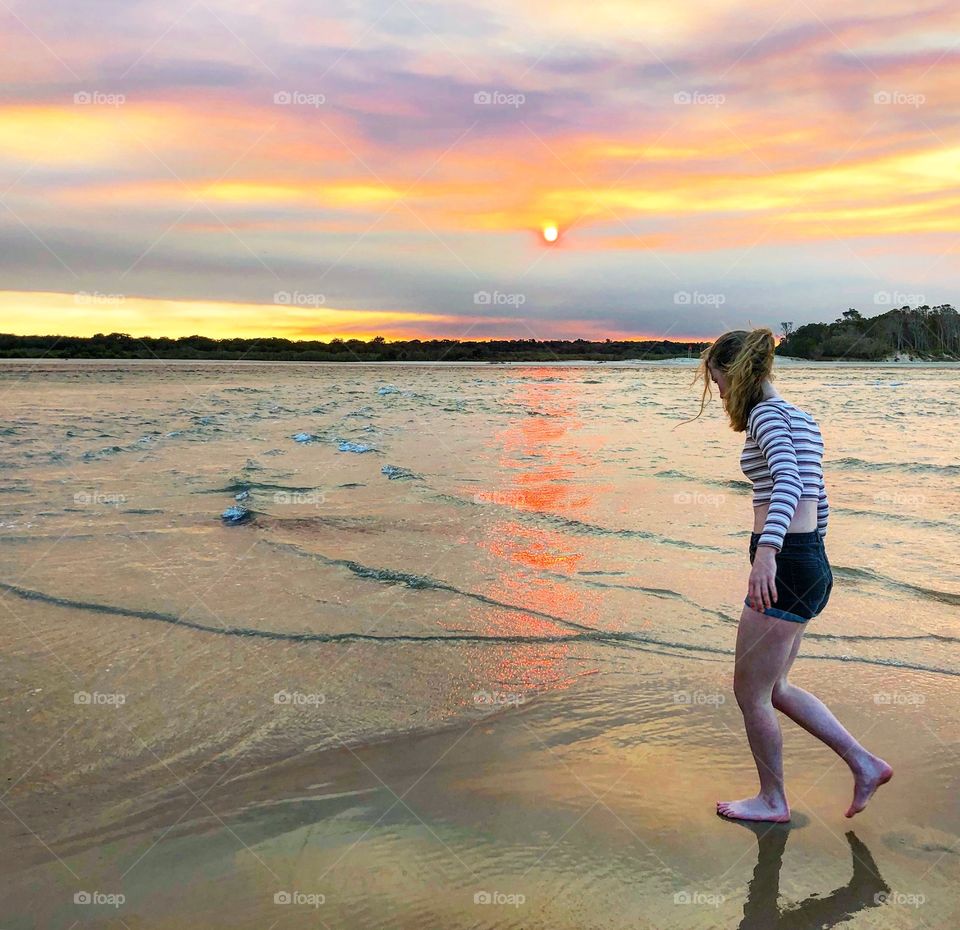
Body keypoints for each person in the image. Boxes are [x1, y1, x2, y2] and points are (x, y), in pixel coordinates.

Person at [682, 327, 892, 822]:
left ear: (735, 374)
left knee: (749, 691)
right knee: (774, 688)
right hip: (808, 559)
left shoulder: (765, 415)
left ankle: (773, 800)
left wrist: (768, 553)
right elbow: (818, 496)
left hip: (788, 562)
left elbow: (791, 484)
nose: (722, 396)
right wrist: (809, 553)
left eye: (720, 384)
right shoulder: (802, 417)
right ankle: (864, 763)